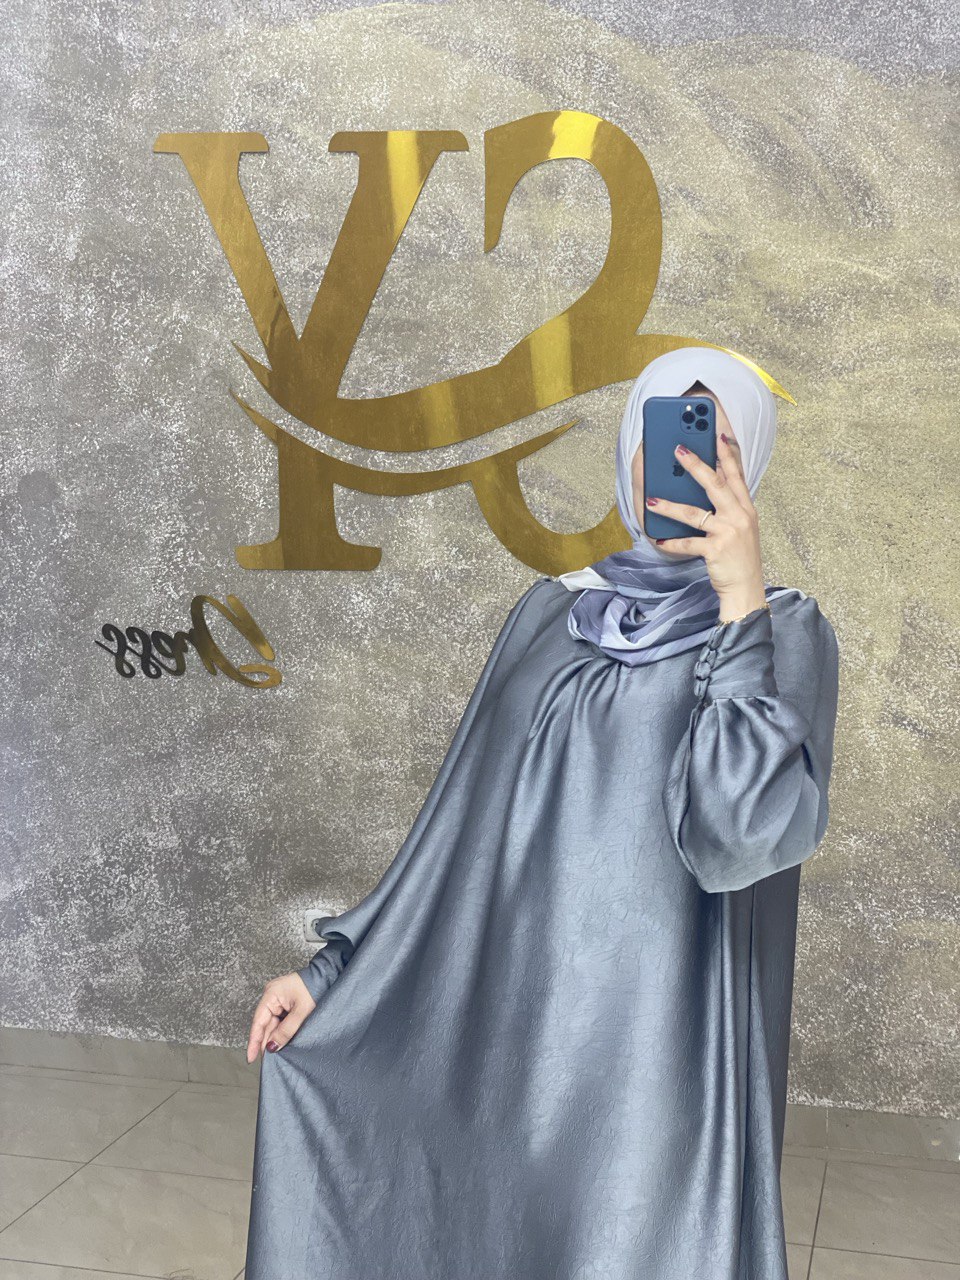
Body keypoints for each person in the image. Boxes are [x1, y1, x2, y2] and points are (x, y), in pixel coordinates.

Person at [243, 346, 840, 1280]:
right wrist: (333, 975)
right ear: (629, 448)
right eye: (667, 438)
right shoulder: (549, 613)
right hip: (508, 1039)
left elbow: (739, 839)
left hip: (657, 1062)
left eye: (717, 446)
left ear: (751, 467)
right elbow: (456, 833)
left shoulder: (786, 632)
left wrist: (739, 604)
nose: (687, 467)